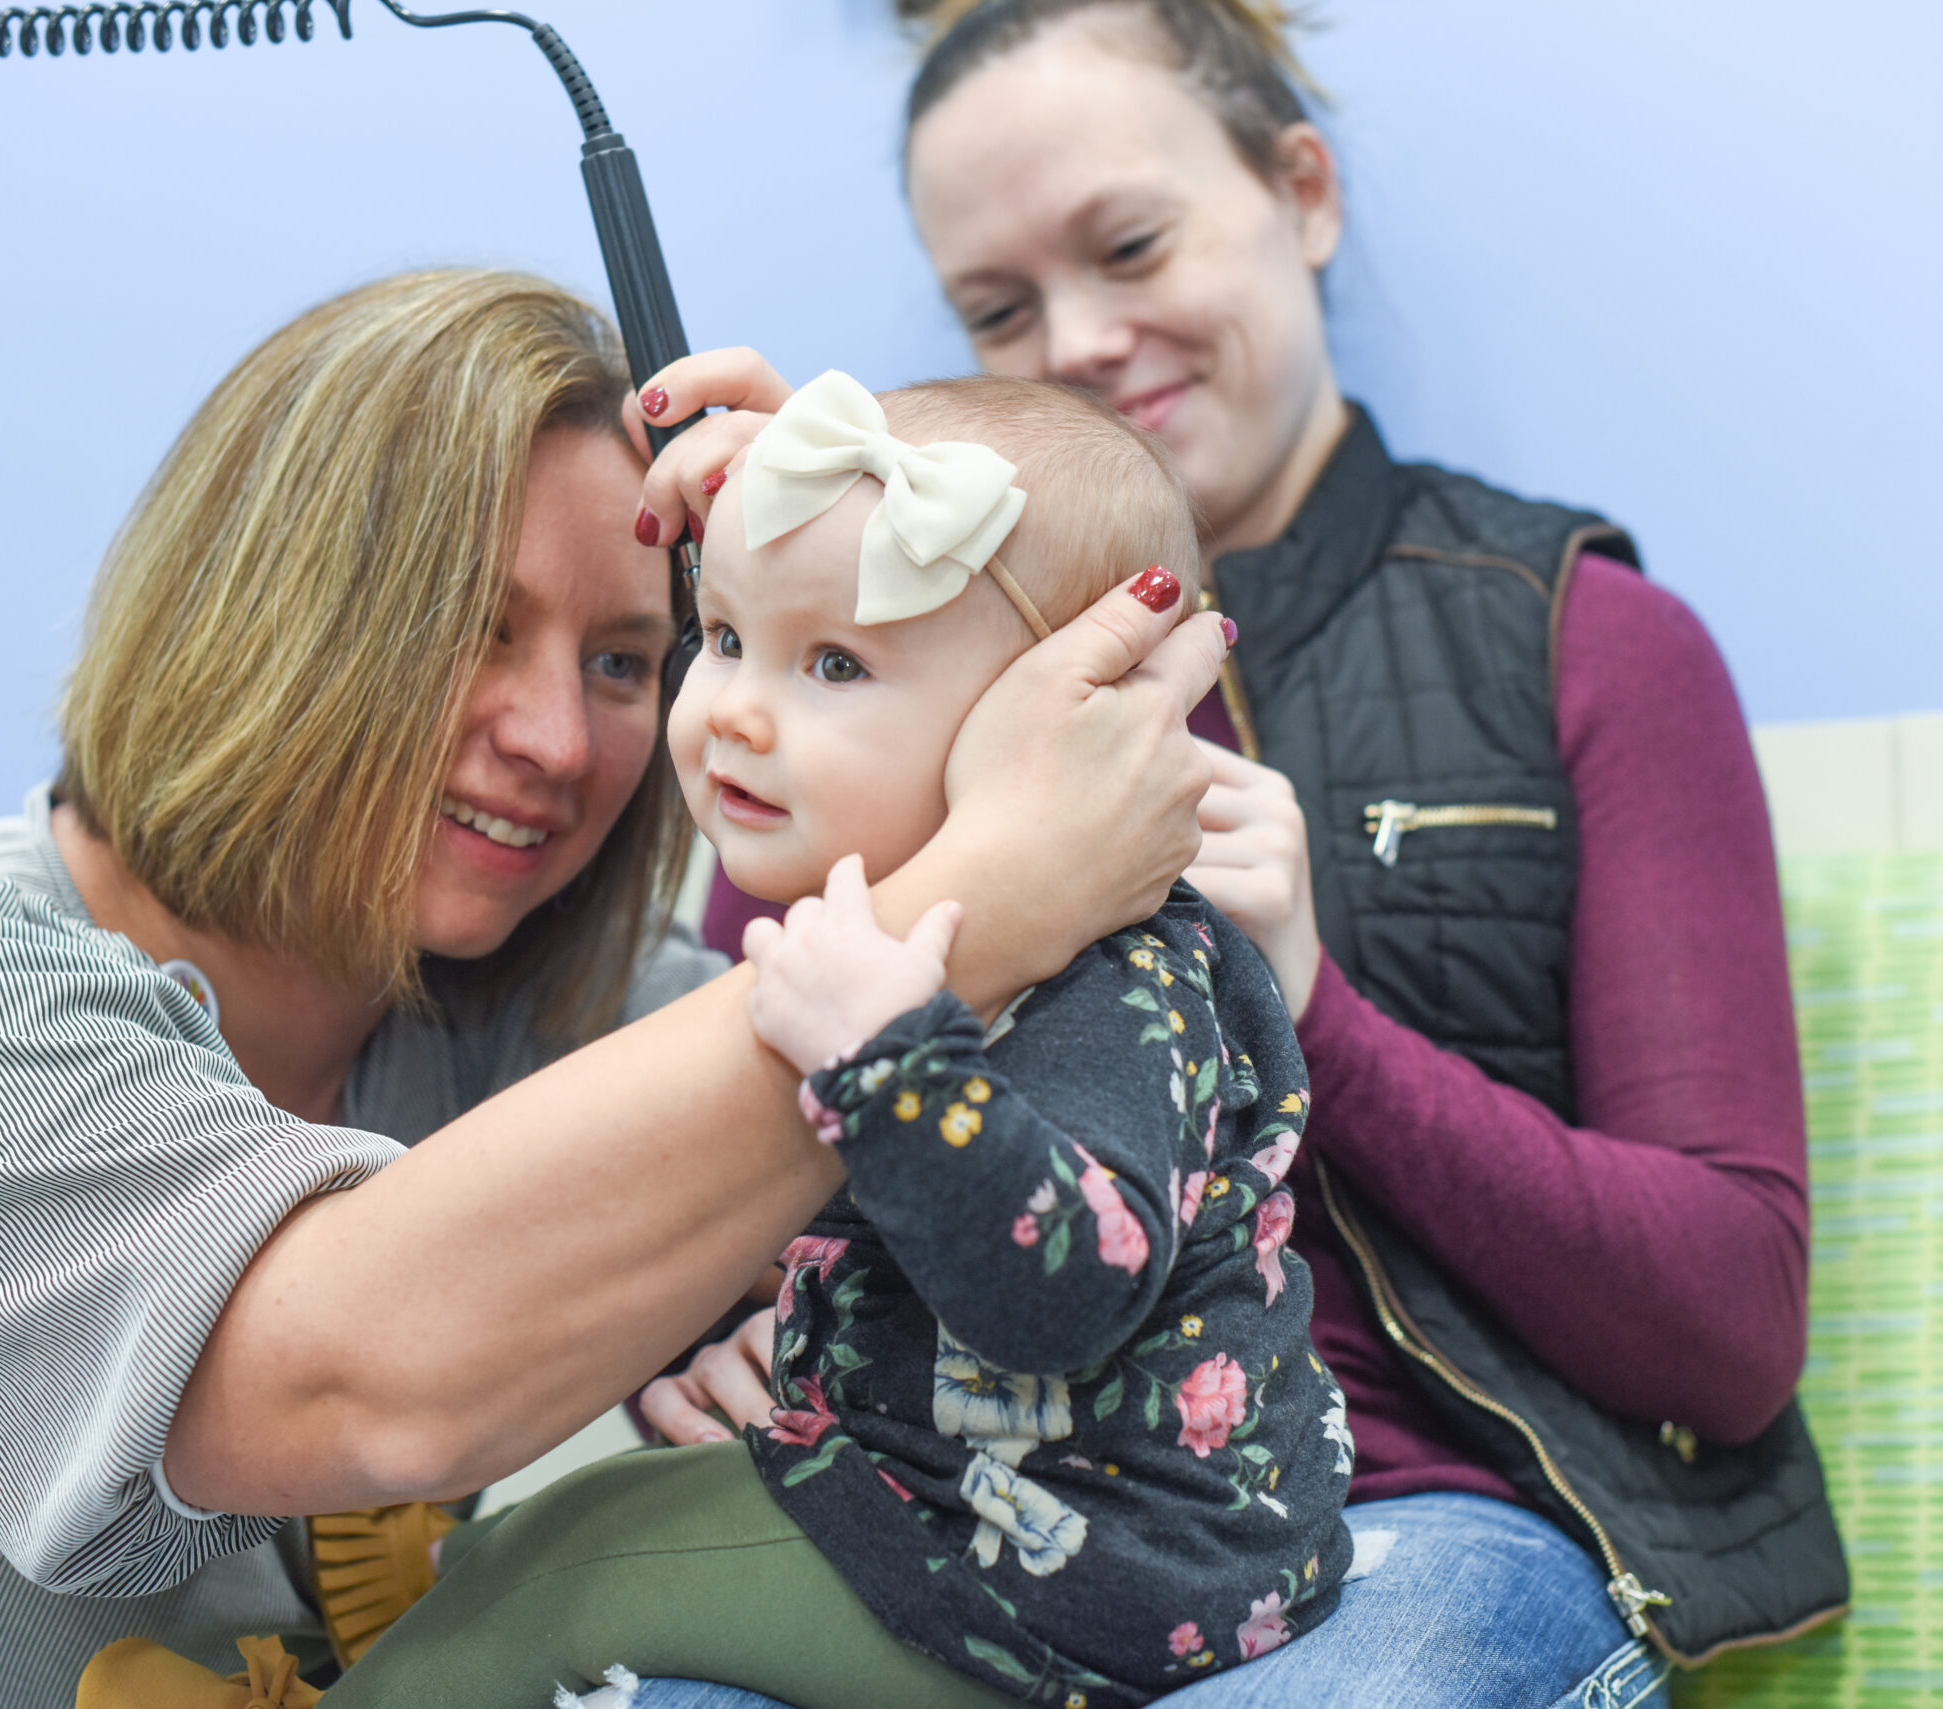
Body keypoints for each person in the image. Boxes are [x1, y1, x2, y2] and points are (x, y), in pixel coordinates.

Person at [0, 270, 1230, 1709]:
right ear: (262, 613)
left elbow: (995, 1118)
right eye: (470, 634)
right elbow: (360, 1377)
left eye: (628, 662)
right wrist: (1002, 886)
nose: (556, 738)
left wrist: (852, 607)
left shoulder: (513, 1008)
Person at [634, 3, 1848, 1705]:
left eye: (1129, 245)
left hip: (1422, 1528)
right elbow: (722, 1143)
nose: (1078, 341)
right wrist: (801, 602)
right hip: (955, 1515)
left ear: (1304, 192)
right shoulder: (857, 691)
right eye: (997, 309)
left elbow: (1729, 1330)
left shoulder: (1584, 639)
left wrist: (1313, 1012)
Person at [260, 372, 1354, 1709]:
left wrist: (888, 1063)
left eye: (833, 663)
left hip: (1094, 1570)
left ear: (1066, 711)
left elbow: (1066, 1290)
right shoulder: (913, 935)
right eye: (719, 637)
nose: (733, 708)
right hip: (983, 1501)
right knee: (538, 1535)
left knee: (552, 1570)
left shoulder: (1112, 980)